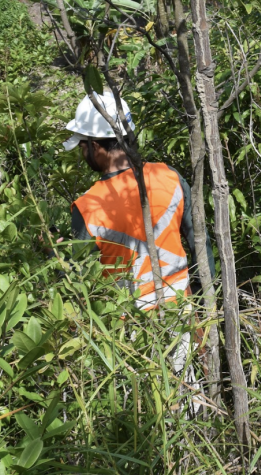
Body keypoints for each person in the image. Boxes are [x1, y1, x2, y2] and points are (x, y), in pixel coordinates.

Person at [63, 91, 203, 316]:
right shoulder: (170, 176)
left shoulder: (88, 207)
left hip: (130, 330)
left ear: (95, 146)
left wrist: (54, 252)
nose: (82, 152)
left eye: (82, 146)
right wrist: (202, 304)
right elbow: (201, 245)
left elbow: (78, 281)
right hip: (182, 312)